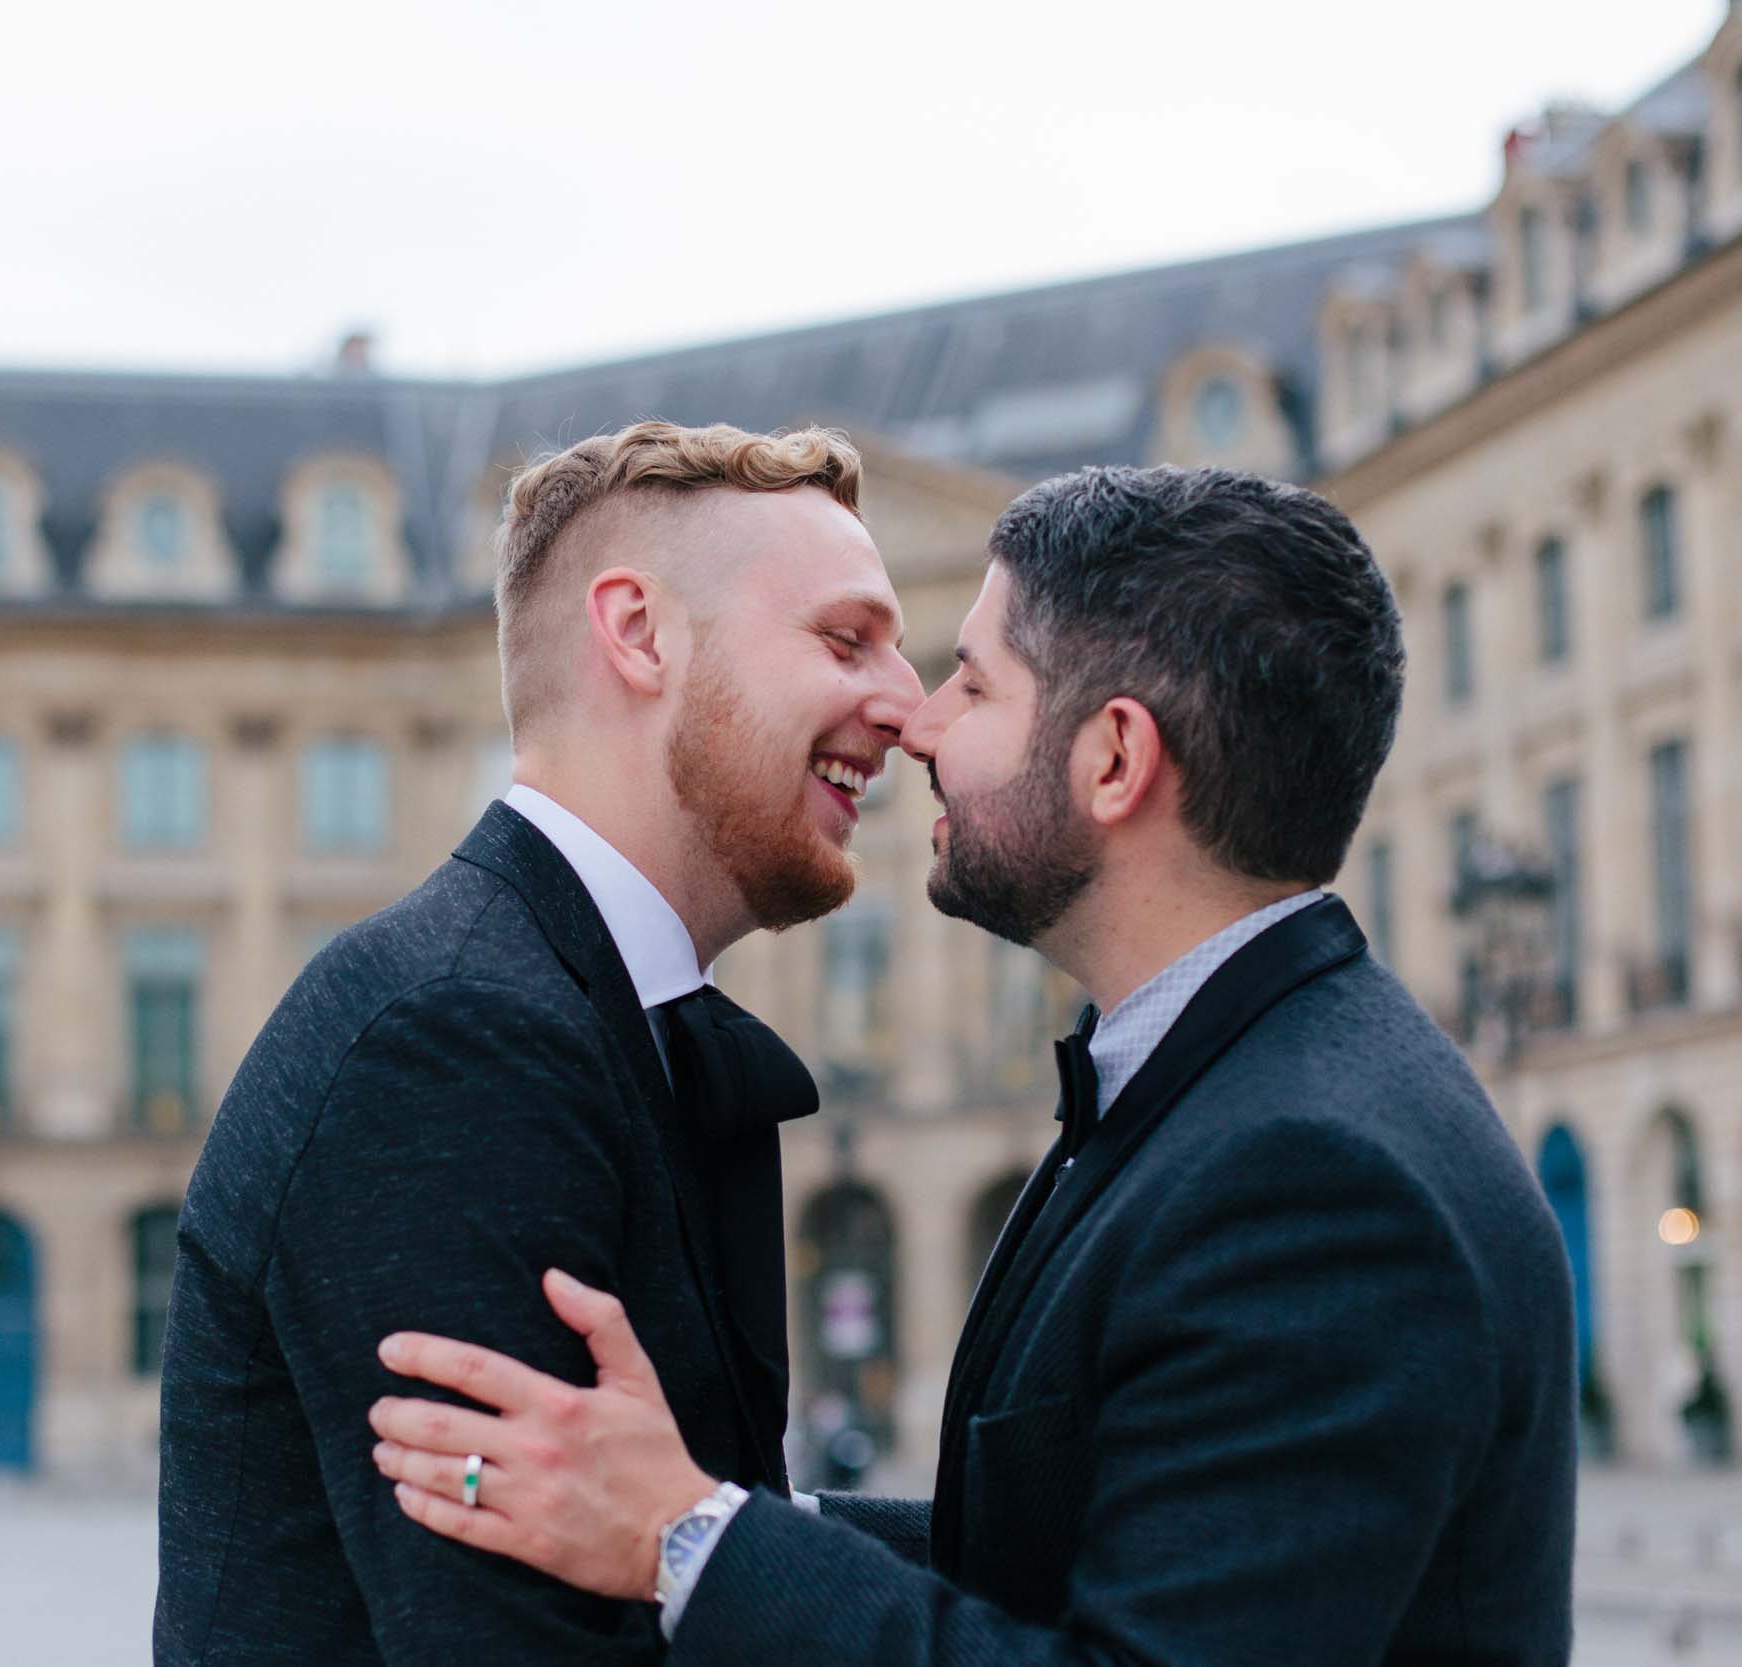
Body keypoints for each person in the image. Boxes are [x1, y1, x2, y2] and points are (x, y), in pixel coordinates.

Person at [365, 464, 1580, 1665]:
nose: (918, 719)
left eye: (974, 679)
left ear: (1113, 760)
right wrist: (722, 1509)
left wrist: (685, 1537)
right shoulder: (1227, 1086)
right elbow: (1055, 1556)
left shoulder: (1313, 1184)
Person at [153, 420, 923, 1664]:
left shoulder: (573, 1008)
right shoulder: (457, 1043)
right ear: (637, 632)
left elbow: (698, 1514)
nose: (911, 707)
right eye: (847, 640)